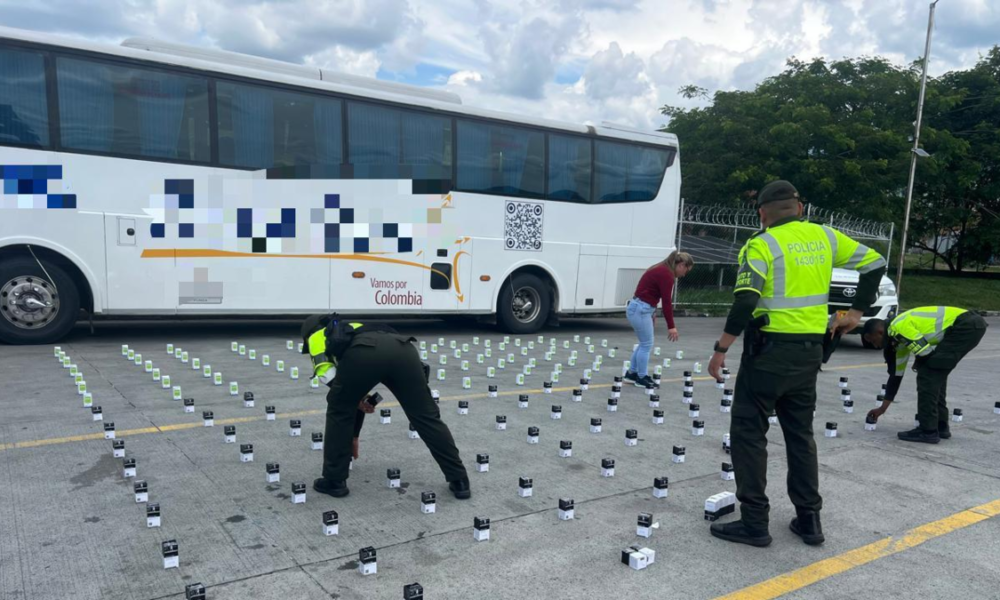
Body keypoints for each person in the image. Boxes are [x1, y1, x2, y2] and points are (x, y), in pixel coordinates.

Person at [706, 180, 886, 548]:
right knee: (800, 437)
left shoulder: (761, 244)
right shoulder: (826, 237)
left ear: (762, 214)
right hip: (809, 355)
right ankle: (809, 521)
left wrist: (721, 348)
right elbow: (876, 262)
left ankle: (755, 522)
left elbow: (745, 301)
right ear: (800, 209)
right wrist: (856, 312)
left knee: (748, 433)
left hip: (768, 355)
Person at [301, 314, 470, 499]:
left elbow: (329, 377)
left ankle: (334, 481)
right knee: (427, 418)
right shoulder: (352, 326)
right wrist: (354, 434)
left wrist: (352, 405)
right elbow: (354, 388)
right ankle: (459, 480)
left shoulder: (317, 335)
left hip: (363, 354)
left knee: (338, 409)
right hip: (405, 350)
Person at [862, 306, 987, 443]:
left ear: (880, 332)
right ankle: (940, 426)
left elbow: (925, 353)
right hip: (968, 325)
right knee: (935, 372)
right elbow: (896, 376)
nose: (873, 345)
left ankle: (928, 431)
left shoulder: (898, 327)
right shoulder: (899, 340)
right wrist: (882, 409)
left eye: (871, 340)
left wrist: (920, 363)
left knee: (928, 374)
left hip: (965, 325)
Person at [624, 251, 694, 387]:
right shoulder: (667, 275)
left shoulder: (661, 268)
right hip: (641, 309)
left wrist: (652, 312)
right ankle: (641, 377)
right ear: (681, 265)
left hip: (639, 308)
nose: (684, 274)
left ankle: (631, 374)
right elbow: (667, 302)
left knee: (643, 343)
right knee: (646, 344)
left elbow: (650, 293)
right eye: (686, 270)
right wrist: (671, 326)